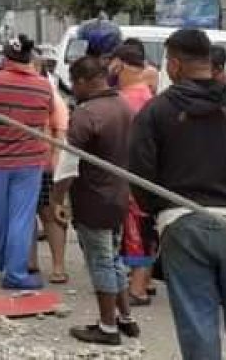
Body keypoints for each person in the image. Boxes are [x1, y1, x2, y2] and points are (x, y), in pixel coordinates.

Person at [129, 29, 226, 360]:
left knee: (197, 324)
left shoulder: (156, 112)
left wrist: (157, 215)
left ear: (174, 64)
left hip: (182, 225)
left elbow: (140, 176)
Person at [51, 56, 139, 345]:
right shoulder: (124, 107)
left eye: (75, 83)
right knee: (113, 258)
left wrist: (57, 200)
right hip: (119, 195)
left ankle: (108, 327)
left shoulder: (87, 114)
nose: (73, 89)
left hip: (93, 198)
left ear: (84, 81)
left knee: (100, 260)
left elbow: (67, 164)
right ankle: (125, 318)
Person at [0, 35, 57, 290]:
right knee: (21, 218)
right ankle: (16, 274)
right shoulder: (44, 86)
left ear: (6, 57)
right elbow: (48, 113)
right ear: (30, 57)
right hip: (30, 160)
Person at [109, 43, 157, 307]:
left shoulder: (126, 99)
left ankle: (137, 289)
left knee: (134, 231)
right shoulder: (146, 94)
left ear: (120, 65)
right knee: (145, 228)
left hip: (129, 174)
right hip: (146, 173)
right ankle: (144, 283)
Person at [28, 54, 70, 284]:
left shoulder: (51, 96)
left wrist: (55, 167)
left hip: (46, 166)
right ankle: (30, 261)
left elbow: (60, 134)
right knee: (27, 216)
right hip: (26, 163)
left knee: (51, 216)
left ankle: (58, 266)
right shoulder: (31, 93)